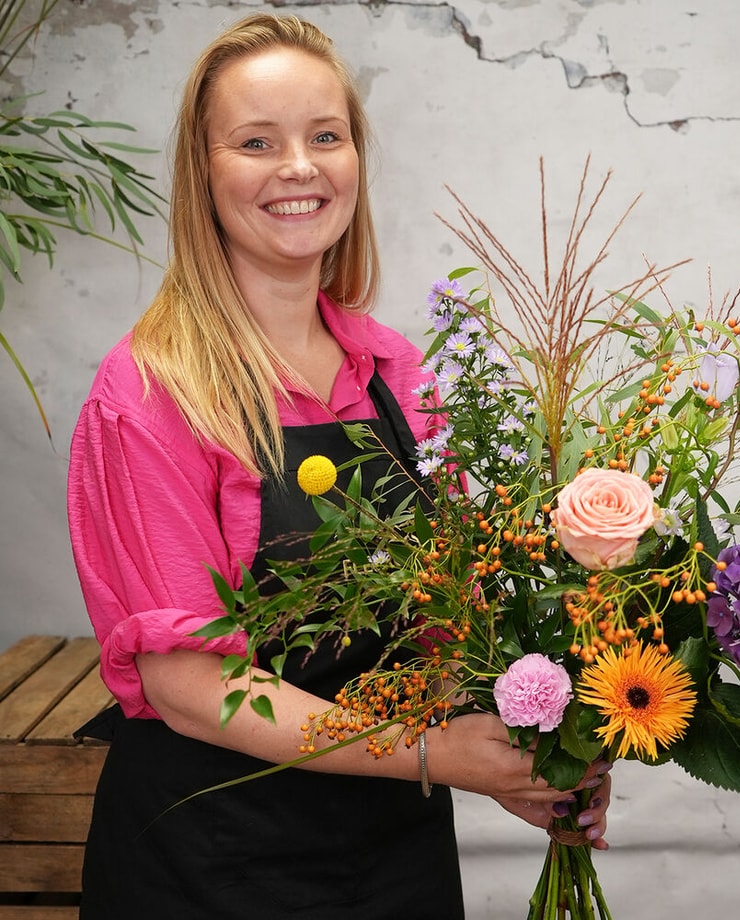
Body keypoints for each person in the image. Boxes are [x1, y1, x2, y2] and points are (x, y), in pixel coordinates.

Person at [67, 12, 611, 918]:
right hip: (212, 863)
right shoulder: (151, 392)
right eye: (255, 142)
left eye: (326, 136)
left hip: (392, 857)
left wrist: (538, 752)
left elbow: (457, 614)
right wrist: (434, 753)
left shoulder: (397, 373)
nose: (299, 167)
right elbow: (190, 684)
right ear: (203, 172)